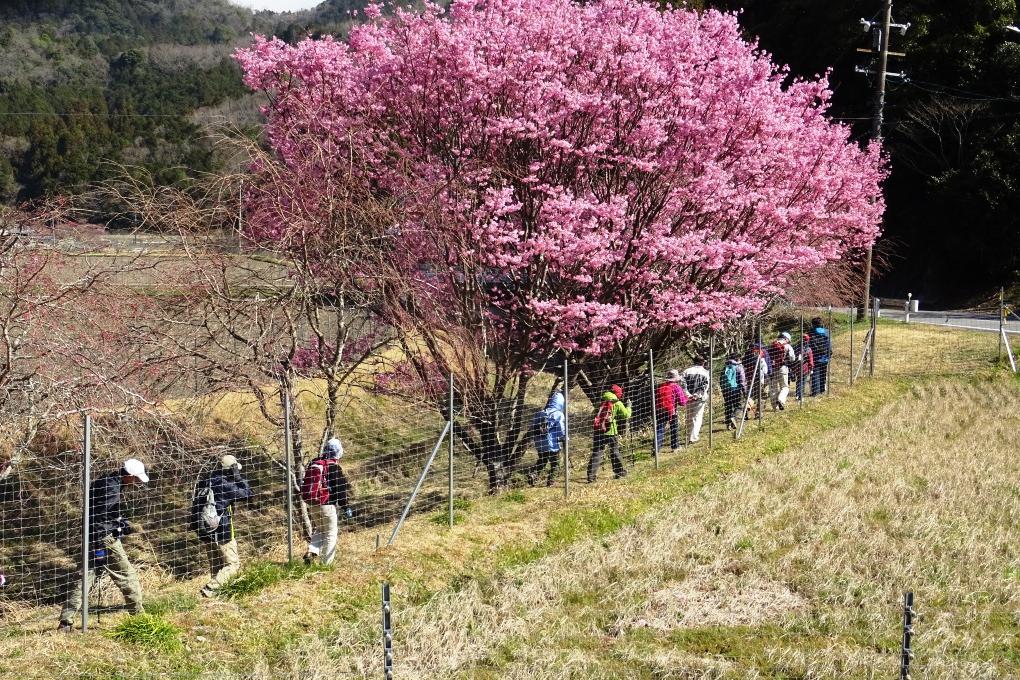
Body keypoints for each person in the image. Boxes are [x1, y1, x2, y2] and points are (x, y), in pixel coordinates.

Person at [58, 459, 148, 632]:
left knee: (84, 578)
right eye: (135, 479)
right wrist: (101, 545)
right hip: (104, 538)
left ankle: (65, 622)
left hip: (90, 536)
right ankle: (139, 618)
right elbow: (98, 519)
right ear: (128, 476)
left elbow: (102, 511)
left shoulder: (107, 480)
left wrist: (120, 520)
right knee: (127, 576)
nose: (136, 483)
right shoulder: (112, 489)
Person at [191, 455, 253, 598]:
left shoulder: (206, 480)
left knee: (217, 565)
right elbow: (248, 493)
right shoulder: (225, 485)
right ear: (231, 470)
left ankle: (217, 595)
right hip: (221, 530)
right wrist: (238, 478)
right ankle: (209, 591)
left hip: (203, 529)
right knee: (232, 564)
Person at [301, 438, 352, 566]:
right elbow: (340, 490)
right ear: (338, 452)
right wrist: (345, 507)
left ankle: (312, 551)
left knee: (320, 530)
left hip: (312, 504)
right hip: (327, 505)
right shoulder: (333, 467)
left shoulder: (315, 463)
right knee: (331, 534)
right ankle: (326, 564)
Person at [586, 384, 632, 482]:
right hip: (611, 431)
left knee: (597, 453)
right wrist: (629, 407)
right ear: (617, 393)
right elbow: (626, 415)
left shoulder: (600, 400)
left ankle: (591, 476)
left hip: (598, 431)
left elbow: (594, 415)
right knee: (614, 451)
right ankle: (619, 472)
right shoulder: (617, 403)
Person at [525, 391, 566, 487]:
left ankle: (533, 474)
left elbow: (532, 426)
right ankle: (551, 481)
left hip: (539, 442)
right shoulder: (558, 414)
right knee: (555, 463)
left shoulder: (540, 413)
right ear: (561, 403)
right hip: (552, 444)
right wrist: (564, 437)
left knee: (542, 460)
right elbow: (561, 428)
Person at [654, 369, 688, 451]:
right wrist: (687, 398)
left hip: (659, 410)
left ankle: (656, 448)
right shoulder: (676, 387)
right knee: (674, 428)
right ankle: (675, 446)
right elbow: (682, 402)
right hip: (672, 411)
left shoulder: (661, 386)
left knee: (659, 429)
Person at [681, 359, 711, 443]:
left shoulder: (686, 371)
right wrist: (697, 395)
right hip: (700, 398)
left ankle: (688, 436)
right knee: (697, 417)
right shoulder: (705, 372)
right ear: (703, 363)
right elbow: (705, 386)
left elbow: (683, 384)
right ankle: (693, 437)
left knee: (689, 417)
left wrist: (688, 395)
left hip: (688, 398)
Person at [767, 332, 797, 411]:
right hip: (782, 368)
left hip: (772, 369)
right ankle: (781, 400)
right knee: (785, 387)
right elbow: (792, 358)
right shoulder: (787, 346)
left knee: (773, 388)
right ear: (786, 338)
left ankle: (774, 407)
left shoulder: (771, 345)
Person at [741, 343, 769, 419]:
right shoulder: (761, 356)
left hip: (749, 379)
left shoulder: (748, 356)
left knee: (751, 395)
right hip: (760, 379)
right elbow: (765, 370)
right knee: (762, 396)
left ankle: (747, 406)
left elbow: (744, 365)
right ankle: (758, 413)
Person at [719, 354, 747, 430]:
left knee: (728, 406)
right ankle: (733, 417)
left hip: (725, 390)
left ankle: (728, 425)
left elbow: (721, 380)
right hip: (735, 389)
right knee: (738, 406)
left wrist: (723, 389)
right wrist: (744, 392)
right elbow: (742, 381)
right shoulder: (738, 367)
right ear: (737, 358)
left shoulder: (725, 367)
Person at [809, 317, 832, 395]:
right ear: (821, 323)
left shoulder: (811, 333)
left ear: (813, 324)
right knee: (823, 373)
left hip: (815, 356)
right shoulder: (827, 332)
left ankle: (815, 392)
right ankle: (822, 389)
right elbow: (829, 344)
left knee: (815, 374)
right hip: (825, 356)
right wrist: (829, 353)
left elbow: (809, 345)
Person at [795, 333, 815, 401]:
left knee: (798, 381)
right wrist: (811, 367)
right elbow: (810, 360)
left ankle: (797, 394)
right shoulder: (808, 349)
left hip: (797, 368)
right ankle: (800, 396)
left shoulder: (797, 348)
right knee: (802, 382)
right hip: (805, 368)